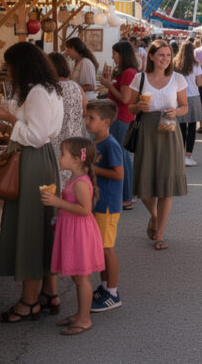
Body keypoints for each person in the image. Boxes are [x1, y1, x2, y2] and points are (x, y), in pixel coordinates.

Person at [0, 42, 64, 323]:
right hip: (40, 160)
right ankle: (48, 293)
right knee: (43, 227)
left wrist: (9, 118)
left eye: (9, 66)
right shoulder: (46, 89)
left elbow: (36, 135)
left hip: (33, 161)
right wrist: (8, 125)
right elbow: (35, 129)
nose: (7, 72)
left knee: (32, 227)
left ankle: (28, 301)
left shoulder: (37, 93)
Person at [41, 137, 105, 336]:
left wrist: (57, 202)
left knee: (82, 278)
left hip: (80, 233)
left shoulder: (80, 183)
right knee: (78, 277)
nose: (60, 157)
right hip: (74, 230)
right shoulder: (74, 176)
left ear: (77, 159)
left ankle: (84, 319)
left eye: (63, 154)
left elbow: (85, 210)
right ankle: (80, 314)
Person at [130, 40, 189, 251]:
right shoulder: (140, 78)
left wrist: (176, 111)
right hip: (146, 129)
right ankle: (155, 216)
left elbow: (184, 107)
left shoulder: (177, 78)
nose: (165, 59)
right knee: (144, 185)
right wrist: (139, 106)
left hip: (169, 129)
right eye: (161, 55)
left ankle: (160, 233)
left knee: (166, 186)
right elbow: (129, 107)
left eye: (168, 55)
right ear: (152, 56)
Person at [83, 100, 124, 312]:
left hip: (108, 204)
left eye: (92, 118)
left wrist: (93, 169)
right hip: (99, 203)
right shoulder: (95, 142)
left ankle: (113, 293)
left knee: (107, 249)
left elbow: (119, 174)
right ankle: (105, 285)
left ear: (106, 122)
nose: (87, 121)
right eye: (86, 117)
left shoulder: (110, 144)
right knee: (100, 248)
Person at [97, 41, 139, 210]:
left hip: (122, 118)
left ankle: (127, 196)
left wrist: (108, 85)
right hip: (118, 117)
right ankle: (127, 194)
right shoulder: (123, 72)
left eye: (115, 53)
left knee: (121, 156)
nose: (113, 57)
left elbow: (124, 98)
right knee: (121, 155)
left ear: (123, 55)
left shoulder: (128, 73)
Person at [46, 52, 87, 185]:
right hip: (76, 142)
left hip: (57, 146)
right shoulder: (77, 87)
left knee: (57, 185)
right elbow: (85, 111)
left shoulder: (51, 90)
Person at [173, 42, 202, 167]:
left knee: (180, 128)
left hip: (178, 97)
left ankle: (179, 154)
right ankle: (188, 156)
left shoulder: (175, 63)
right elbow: (200, 83)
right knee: (191, 127)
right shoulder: (195, 64)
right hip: (193, 97)